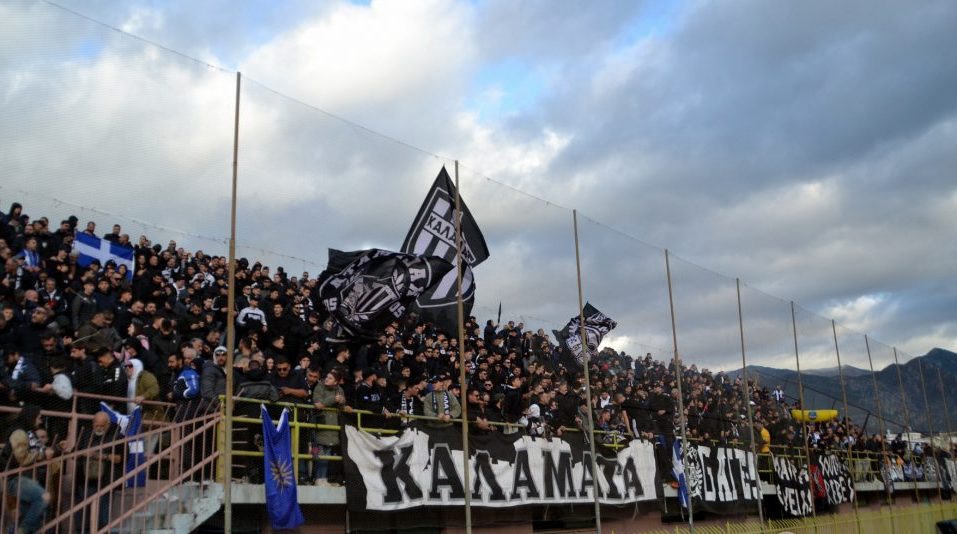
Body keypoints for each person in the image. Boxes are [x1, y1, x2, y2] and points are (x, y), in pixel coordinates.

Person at [311, 370, 347, 486]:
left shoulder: (339, 389)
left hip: (333, 425)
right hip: (320, 424)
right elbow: (318, 404)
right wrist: (333, 399)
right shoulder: (319, 387)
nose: (327, 379)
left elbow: (342, 404)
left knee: (328, 453)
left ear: (336, 382)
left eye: (330, 378)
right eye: (327, 377)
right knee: (319, 453)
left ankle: (324, 479)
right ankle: (318, 478)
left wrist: (342, 401)